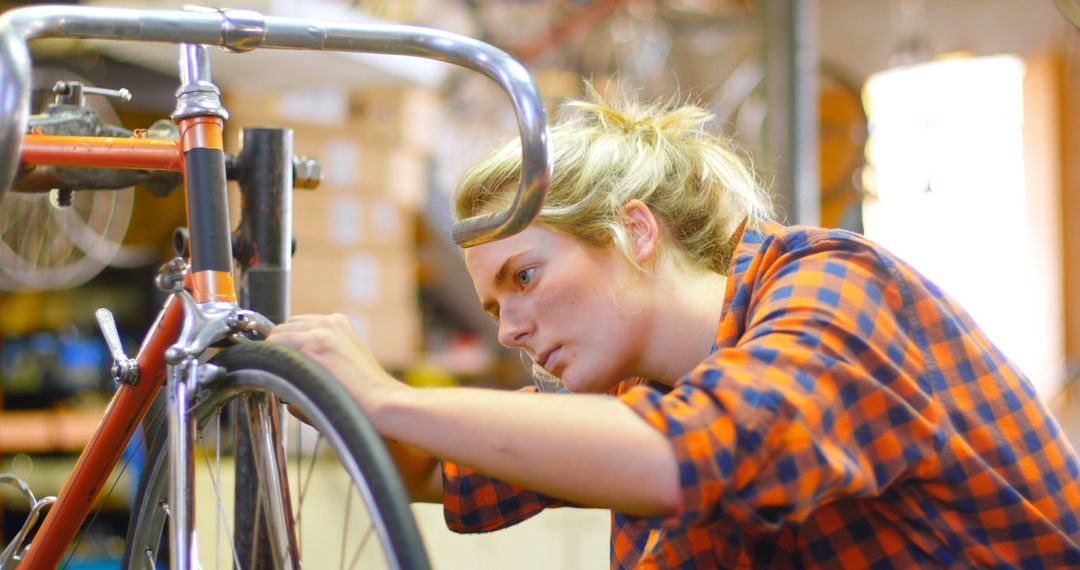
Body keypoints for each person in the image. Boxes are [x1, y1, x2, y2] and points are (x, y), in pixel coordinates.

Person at [267, 89, 1080, 568]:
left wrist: (385, 395)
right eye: (492, 308)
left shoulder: (836, 286)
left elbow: (687, 454)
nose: (512, 328)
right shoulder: (643, 389)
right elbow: (438, 466)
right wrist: (322, 388)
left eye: (525, 277)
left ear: (637, 232)